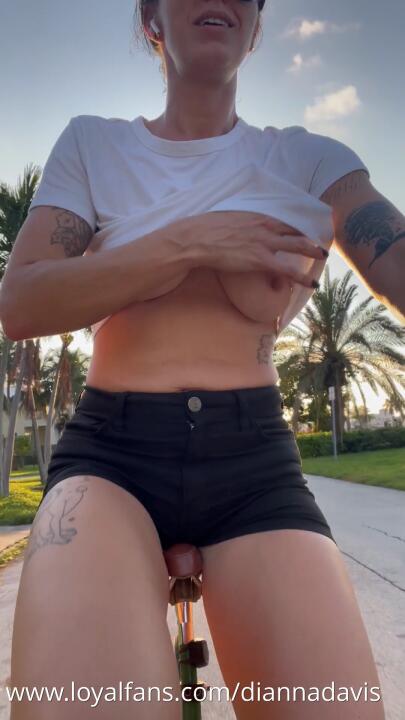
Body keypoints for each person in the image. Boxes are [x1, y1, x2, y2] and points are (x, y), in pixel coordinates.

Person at [4, 0, 400, 717]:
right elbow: (22, 302)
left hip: (255, 466)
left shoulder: (312, 161)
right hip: (111, 460)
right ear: (151, 20)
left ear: (255, 26)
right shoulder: (93, 145)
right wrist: (196, 242)